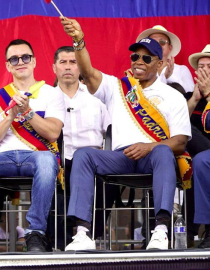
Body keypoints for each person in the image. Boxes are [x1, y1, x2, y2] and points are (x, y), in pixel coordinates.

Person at [61, 18, 191, 251]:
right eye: (135, 56)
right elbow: (89, 74)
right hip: (120, 158)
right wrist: (78, 41)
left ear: (159, 64)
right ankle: (82, 233)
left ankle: (161, 231)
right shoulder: (117, 86)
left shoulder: (173, 96)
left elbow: (180, 142)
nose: (139, 61)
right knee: (83, 155)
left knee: (163, 150)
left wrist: (148, 147)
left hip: (153, 159)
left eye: (146, 57)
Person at [0, 39, 65, 253]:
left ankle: (36, 233)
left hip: (37, 156)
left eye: (25, 57)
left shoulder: (52, 93)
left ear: (34, 62)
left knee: (47, 159)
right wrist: (10, 116)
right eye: (14, 58)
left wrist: (28, 113)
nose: (20, 61)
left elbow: (53, 133)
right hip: (2, 157)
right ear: (7, 65)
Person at [47, 46, 112, 249]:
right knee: (45, 175)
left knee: (109, 182)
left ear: (81, 67)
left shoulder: (97, 97)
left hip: (92, 161)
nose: (68, 67)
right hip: (57, 160)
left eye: (73, 62)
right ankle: (56, 240)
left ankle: (88, 234)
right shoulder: (44, 96)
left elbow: (109, 132)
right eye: (63, 62)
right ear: (54, 67)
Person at [188, 44, 210, 249]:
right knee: (195, 164)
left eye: (209, 67)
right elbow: (175, 127)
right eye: (200, 67)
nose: (204, 71)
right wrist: (194, 99)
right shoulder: (189, 95)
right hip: (196, 156)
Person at [136, 25, 194, 93]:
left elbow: (191, 91)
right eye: (153, 43)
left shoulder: (181, 69)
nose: (157, 45)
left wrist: (170, 76)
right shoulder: (141, 68)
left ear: (170, 48)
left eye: (162, 42)